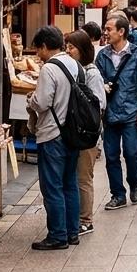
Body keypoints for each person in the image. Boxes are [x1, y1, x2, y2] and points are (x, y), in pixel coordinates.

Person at [25, 27, 82, 249]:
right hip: (73, 133)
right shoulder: (75, 64)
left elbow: (42, 102)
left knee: (52, 187)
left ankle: (58, 235)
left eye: (38, 49)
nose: (38, 55)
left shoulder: (50, 68)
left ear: (45, 46)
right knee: (70, 183)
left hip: (53, 134)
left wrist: (31, 100)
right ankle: (72, 232)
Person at [98, 13, 137, 209]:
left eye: (109, 29)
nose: (106, 33)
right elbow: (96, 80)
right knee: (111, 156)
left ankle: (134, 183)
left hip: (130, 112)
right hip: (110, 114)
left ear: (122, 32)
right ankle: (117, 194)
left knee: (131, 152)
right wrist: (103, 87)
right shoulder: (102, 55)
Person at [63, 30, 107, 235]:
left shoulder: (91, 73)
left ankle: (86, 220)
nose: (68, 51)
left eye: (72, 47)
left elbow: (97, 105)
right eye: (67, 47)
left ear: (83, 49)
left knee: (83, 177)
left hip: (86, 135)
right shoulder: (75, 70)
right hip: (74, 133)